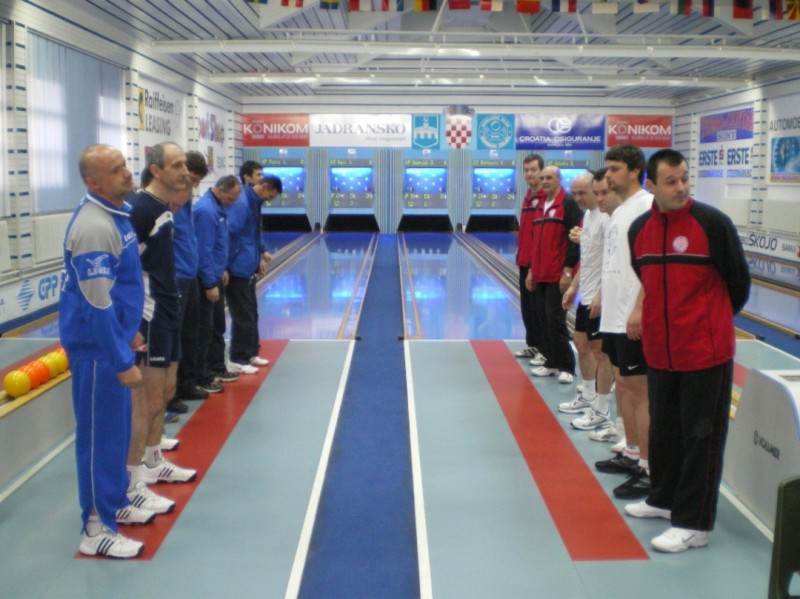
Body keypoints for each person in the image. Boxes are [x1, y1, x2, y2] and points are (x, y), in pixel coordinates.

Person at [624, 149, 750, 553]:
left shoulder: (713, 223)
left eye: (684, 178)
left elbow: (738, 284)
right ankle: (663, 499)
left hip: (704, 352)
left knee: (701, 438)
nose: (681, 187)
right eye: (671, 181)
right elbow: (646, 280)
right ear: (652, 185)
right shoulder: (639, 230)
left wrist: (707, 322)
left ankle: (695, 524)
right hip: (661, 351)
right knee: (664, 430)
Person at [60, 144, 153, 559]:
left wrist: (128, 331)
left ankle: (114, 503)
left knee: (116, 436)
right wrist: (119, 358)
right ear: (93, 182)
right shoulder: (95, 227)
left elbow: (118, 286)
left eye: (125, 166)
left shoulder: (117, 214)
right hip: (97, 352)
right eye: (116, 170)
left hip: (111, 342)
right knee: (100, 440)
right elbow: (96, 302)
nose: (127, 173)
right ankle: (96, 527)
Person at [127, 142, 197, 509]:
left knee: (167, 391)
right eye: (177, 165)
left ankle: (154, 460)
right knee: (147, 400)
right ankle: (131, 482)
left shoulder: (163, 209)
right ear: (156, 171)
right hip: (151, 314)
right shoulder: (141, 209)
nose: (185, 171)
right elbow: (126, 268)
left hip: (169, 310)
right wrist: (133, 320)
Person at [593, 143, 654, 501]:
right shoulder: (620, 211)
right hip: (615, 316)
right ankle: (632, 452)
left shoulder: (645, 207)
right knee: (625, 387)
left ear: (634, 171)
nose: (609, 175)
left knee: (640, 392)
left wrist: (639, 309)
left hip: (632, 317)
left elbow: (651, 266)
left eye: (615, 169)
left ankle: (648, 468)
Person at [559, 171, 614, 431]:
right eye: (575, 193)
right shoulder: (588, 217)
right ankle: (589, 395)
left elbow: (611, 262)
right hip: (587, 295)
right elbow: (589, 259)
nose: (578, 198)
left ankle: (601, 409)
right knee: (581, 344)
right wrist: (573, 287)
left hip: (600, 298)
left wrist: (602, 295)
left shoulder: (606, 218)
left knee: (601, 353)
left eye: (583, 192)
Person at [525, 165, 581, 384]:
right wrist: (531, 270)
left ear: (559, 179)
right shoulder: (541, 205)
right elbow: (535, 241)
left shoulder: (568, 203)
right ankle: (551, 361)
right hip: (540, 273)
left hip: (557, 275)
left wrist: (567, 271)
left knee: (555, 320)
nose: (545, 181)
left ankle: (567, 366)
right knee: (543, 320)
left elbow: (574, 240)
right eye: (543, 178)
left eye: (549, 177)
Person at [173, 151, 220, 407]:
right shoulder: (169, 202)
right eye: (191, 179)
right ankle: (171, 393)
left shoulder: (187, 201)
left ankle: (187, 384)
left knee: (191, 334)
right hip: (176, 277)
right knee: (176, 336)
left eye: (197, 181)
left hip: (189, 276)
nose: (194, 185)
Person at [226, 165, 281, 373]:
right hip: (237, 268)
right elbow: (230, 234)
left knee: (252, 313)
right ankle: (239, 359)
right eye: (270, 196)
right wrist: (225, 266)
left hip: (248, 265)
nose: (270, 200)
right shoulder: (242, 203)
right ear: (264, 187)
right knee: (243, 316)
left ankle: (250, 353)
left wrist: (260, 254)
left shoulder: (255, 202)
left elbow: (253, 232)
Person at [195, 175, 242, 391]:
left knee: (217, 326)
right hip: (208, 279)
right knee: (206, 329)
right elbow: (203, 251)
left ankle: (216, 367)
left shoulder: (218, 208)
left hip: (215, 274)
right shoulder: (206, 211)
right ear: (220, 190)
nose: (232, 203)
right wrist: (209, 283)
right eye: (230, 198)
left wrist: (222, 268)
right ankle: (204, 375)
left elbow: (217, 245)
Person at [514, 154, 546, 363]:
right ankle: (534, 345)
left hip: (538, 265)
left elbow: (540, 236)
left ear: (541, 171)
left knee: (539, 309)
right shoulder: (527, 197)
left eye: (534, 169)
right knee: (528, 308)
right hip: (524, 261)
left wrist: (534, 266)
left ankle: (546, 349)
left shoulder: (545, 199)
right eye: (526, 170)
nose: (529, 173)